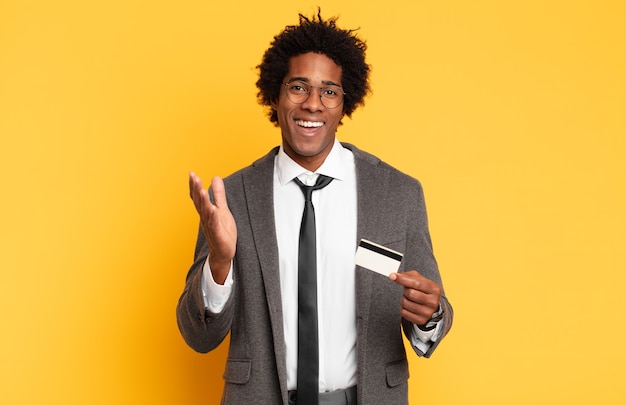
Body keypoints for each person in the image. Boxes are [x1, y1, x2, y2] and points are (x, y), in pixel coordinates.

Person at [177, 10, 453, 405]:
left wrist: (430, 315)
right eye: (298, 87)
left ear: (345, 104)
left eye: (329, 91)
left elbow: (433, 315)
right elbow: (198, 337)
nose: (312, 105)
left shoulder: (397, 194)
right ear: (275, 95)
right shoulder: (233, 197)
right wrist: (219, 263)